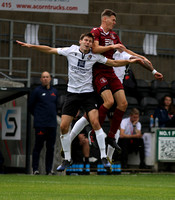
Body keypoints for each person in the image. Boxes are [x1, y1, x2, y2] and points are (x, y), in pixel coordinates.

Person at [16, 32, 141, 172]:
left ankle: (104, 157)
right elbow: (50, 49)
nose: (87, 43)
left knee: (95, 122)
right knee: (63, 126)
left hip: (88, 95)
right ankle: (67, 159)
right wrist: (30, 46)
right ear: (80, 41)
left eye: (90, 41)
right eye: (85, 40)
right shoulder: (71, 50)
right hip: (72, 95)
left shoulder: (94, 56)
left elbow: (113, 63)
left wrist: (130, 62)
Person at [90, 9, 163, 150]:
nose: (115, 22)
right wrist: (113, 46)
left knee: (123, 104)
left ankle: (111, 137)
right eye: (113, 20)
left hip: (111, 71)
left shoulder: (114, 35)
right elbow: (95, 49)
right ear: (105, 19)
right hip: (99, 72)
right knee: (109, 102)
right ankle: (93, 133)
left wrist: (142, 57)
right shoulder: (96, 32)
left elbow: (125, 50)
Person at [28, 71, 58, 175]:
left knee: (50, 148)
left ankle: (49, 170)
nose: (45, 79)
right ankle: (35, 169)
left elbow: (57, 106)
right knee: (38, 146)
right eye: (43, 77)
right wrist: (38, 117)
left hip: (52, 125)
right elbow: (30, 106)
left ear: (50, 79)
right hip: (41, 124)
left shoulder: (55, 91)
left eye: (47, 77)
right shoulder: (36, 91)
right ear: (41, 79)